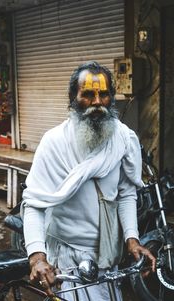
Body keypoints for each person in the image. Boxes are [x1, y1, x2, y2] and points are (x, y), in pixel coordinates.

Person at [21, 61, 156, 300]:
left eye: (103, 94)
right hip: (68, 258)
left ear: (112, 98)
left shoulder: (123, 138)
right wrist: (38, 258)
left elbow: (126, 194)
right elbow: (34, 203)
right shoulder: (54, 142)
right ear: (73, 97)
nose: (96, 103)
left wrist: (132, 240)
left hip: (109, 256)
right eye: (88, 95)